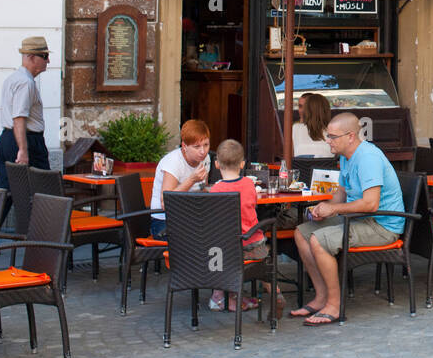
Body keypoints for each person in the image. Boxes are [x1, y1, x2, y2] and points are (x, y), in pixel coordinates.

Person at [288, 112, 404, 325]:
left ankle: (334, 306)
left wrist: (334, 210)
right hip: (359, 219)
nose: (327, 140)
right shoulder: (346, 156)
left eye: (332, 136)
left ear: (350, 136)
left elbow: (371, 204)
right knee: (302, 233)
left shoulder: (367, 157)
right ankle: (321, 296)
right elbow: (342, 192)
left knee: (319, 240)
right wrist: (324, 208)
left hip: (381, 225)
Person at [206, 139, 276, 314]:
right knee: (263, 256)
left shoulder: (215, 190)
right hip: (253, 246)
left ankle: (219, 295)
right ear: (243, 163)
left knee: (216, 252)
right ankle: (275, 292)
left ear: (216, 164)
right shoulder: (248, 184)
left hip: (226, 251)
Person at [0, 36, 51, 189]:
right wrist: (23, 150)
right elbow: (19, 117)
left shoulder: (12, 78)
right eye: (45, 56)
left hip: (8, 138)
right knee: (43, 191)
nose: (48, 61)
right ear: (32, 57)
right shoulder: (25, 82)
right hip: (26, 140)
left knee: (7, 192)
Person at [149, 119, 211, 239]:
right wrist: (191, 180)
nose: (202, 151)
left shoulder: (205, 159)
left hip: (191, 219)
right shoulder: (173, 162)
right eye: (196, 147)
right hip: (165, 222)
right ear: (184, 146)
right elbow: (166, 203)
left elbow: (203, 190)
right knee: (200, 242)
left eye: (206, 145)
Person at [292, 92, 333, 158]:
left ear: (308, 111)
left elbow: (289, 158)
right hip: (325, 167)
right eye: (300, 106)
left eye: (305, 107)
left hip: (301, 167)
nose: (302, 111)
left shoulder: (295, 128)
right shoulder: (335, 130)